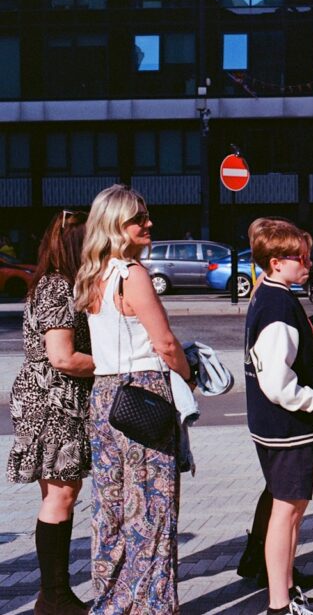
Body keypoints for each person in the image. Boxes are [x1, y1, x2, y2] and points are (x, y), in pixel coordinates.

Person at [74, 185, 195, 612]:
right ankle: (150, 605)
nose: (149, 224)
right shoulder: (132, 273)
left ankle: (111, 601)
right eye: (138, 219)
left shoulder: (92, 276)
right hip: (142, 393)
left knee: (110, 505)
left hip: (105, 396)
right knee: (152, 508)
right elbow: (163, 342)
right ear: (116, 227)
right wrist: (188, 374)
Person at [243, 218, 313, 615]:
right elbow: (279, 383)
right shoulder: (279, 303)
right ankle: (280, 604)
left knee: (290, 510)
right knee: (287, 513)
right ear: (277, 261)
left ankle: (285, 591)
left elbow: (275, 357)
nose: (308, 263)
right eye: (301, 257)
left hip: (272, 424)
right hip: (287, 425)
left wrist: (310, 337)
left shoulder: (267, 294)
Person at [7, 210, 92, 614]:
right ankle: (54, 595)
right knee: (60, 494)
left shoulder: (51, 283)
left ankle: (55, 593)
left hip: (48, 397)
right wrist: (113, 362)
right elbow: (62, 357)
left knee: (60, 493)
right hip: (54, 399)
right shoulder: (59, 286)